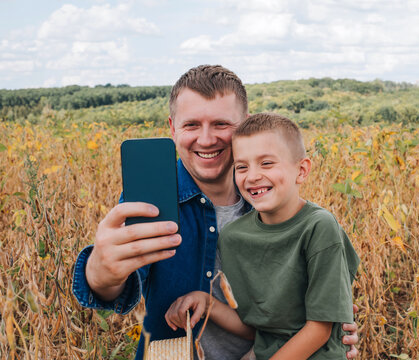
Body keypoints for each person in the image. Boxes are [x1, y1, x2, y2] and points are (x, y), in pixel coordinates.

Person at [71, 65, 360, 360]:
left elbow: (308, 314)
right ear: (172, 128)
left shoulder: (272, 202)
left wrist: (330, 332)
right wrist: (100, 273)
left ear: (245, 125)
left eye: (221, 124)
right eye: (191, 125)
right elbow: (116, 286)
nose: (206, 139)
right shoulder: (152, 202)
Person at [165, 113, 360, 359]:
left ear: (301, 171)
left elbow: (320, 329)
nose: (253, 175)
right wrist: (208, 302)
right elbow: (254, 328)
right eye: (242, 167)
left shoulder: (319, 227)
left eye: (266, 163)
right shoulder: (234, 237)